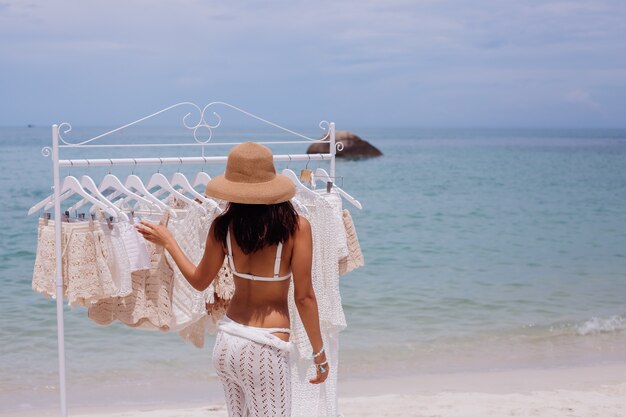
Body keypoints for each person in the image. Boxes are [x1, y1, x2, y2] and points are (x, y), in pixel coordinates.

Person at [136, 141, 328, 416]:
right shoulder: (296, 228)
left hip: (227, 343)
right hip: (266, 348)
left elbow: (200, 281)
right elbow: (304, 297)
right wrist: (319, 354)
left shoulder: (223, 226)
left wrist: (170, 242)